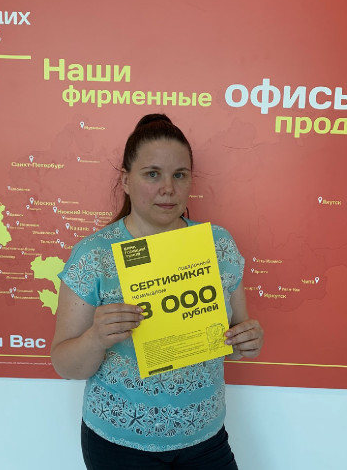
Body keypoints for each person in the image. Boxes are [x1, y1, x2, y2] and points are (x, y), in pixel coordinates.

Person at [51, 114, 264, 470]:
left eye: (179, 175)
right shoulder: (95, 255)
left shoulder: (218, 245)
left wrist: (246, 341)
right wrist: (95, 338)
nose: (168, 188)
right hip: (120, 444)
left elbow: (234, 340)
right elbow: (64, 364)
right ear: (126, 180)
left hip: (205, 438)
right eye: (152, 174)